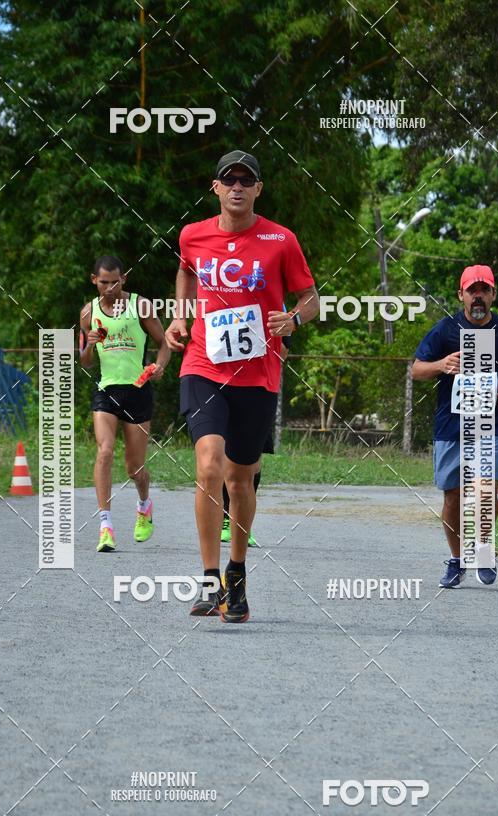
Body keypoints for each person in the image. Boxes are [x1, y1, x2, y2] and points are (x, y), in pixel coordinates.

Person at [166, 150, 319, 622]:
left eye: (245, 180)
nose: (236, 186)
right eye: (228, 179)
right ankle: (209, 579)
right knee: (209, 464)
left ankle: (237, 573)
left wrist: (293, 319)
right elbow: (187, 270)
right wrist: (179, 314)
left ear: (257, 189)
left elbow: (311, 298)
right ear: (216, 188)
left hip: (258, 372)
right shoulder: (193, 235)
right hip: (203, 364)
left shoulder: (281, 239)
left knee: (240, 477)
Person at [412, 264, 498, 588]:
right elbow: (416, 369)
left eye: (484, 290)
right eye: (472, 290)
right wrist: (442, 364)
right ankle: (456, 559)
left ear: (493, 295)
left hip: (491, 425)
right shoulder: (446, 329)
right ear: (460, 295)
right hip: (451, 425)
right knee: (453, 497)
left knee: (486, 492)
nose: (478, 296)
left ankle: (483, 550)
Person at [79, 255, 170, 552]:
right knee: (104, 452)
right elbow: (86, 362)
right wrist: (89, 345)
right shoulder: (88, 313)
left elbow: (164, 341)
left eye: (114, 282)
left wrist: (160, 366)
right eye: (103, 282)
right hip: (106, 390)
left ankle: (144, 505)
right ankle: (105, 526)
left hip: (138, 389)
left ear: (123, 279)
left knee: (134, 468)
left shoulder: (139, 306)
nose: (109, 288)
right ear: (94, 280)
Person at [220, 326, 292, 547]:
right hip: (225, 385)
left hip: (258, 391)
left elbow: (282, 353)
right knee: (226, 458)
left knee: (253, 466)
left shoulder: (278, 311)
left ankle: (243, 525)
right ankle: (225, 519)